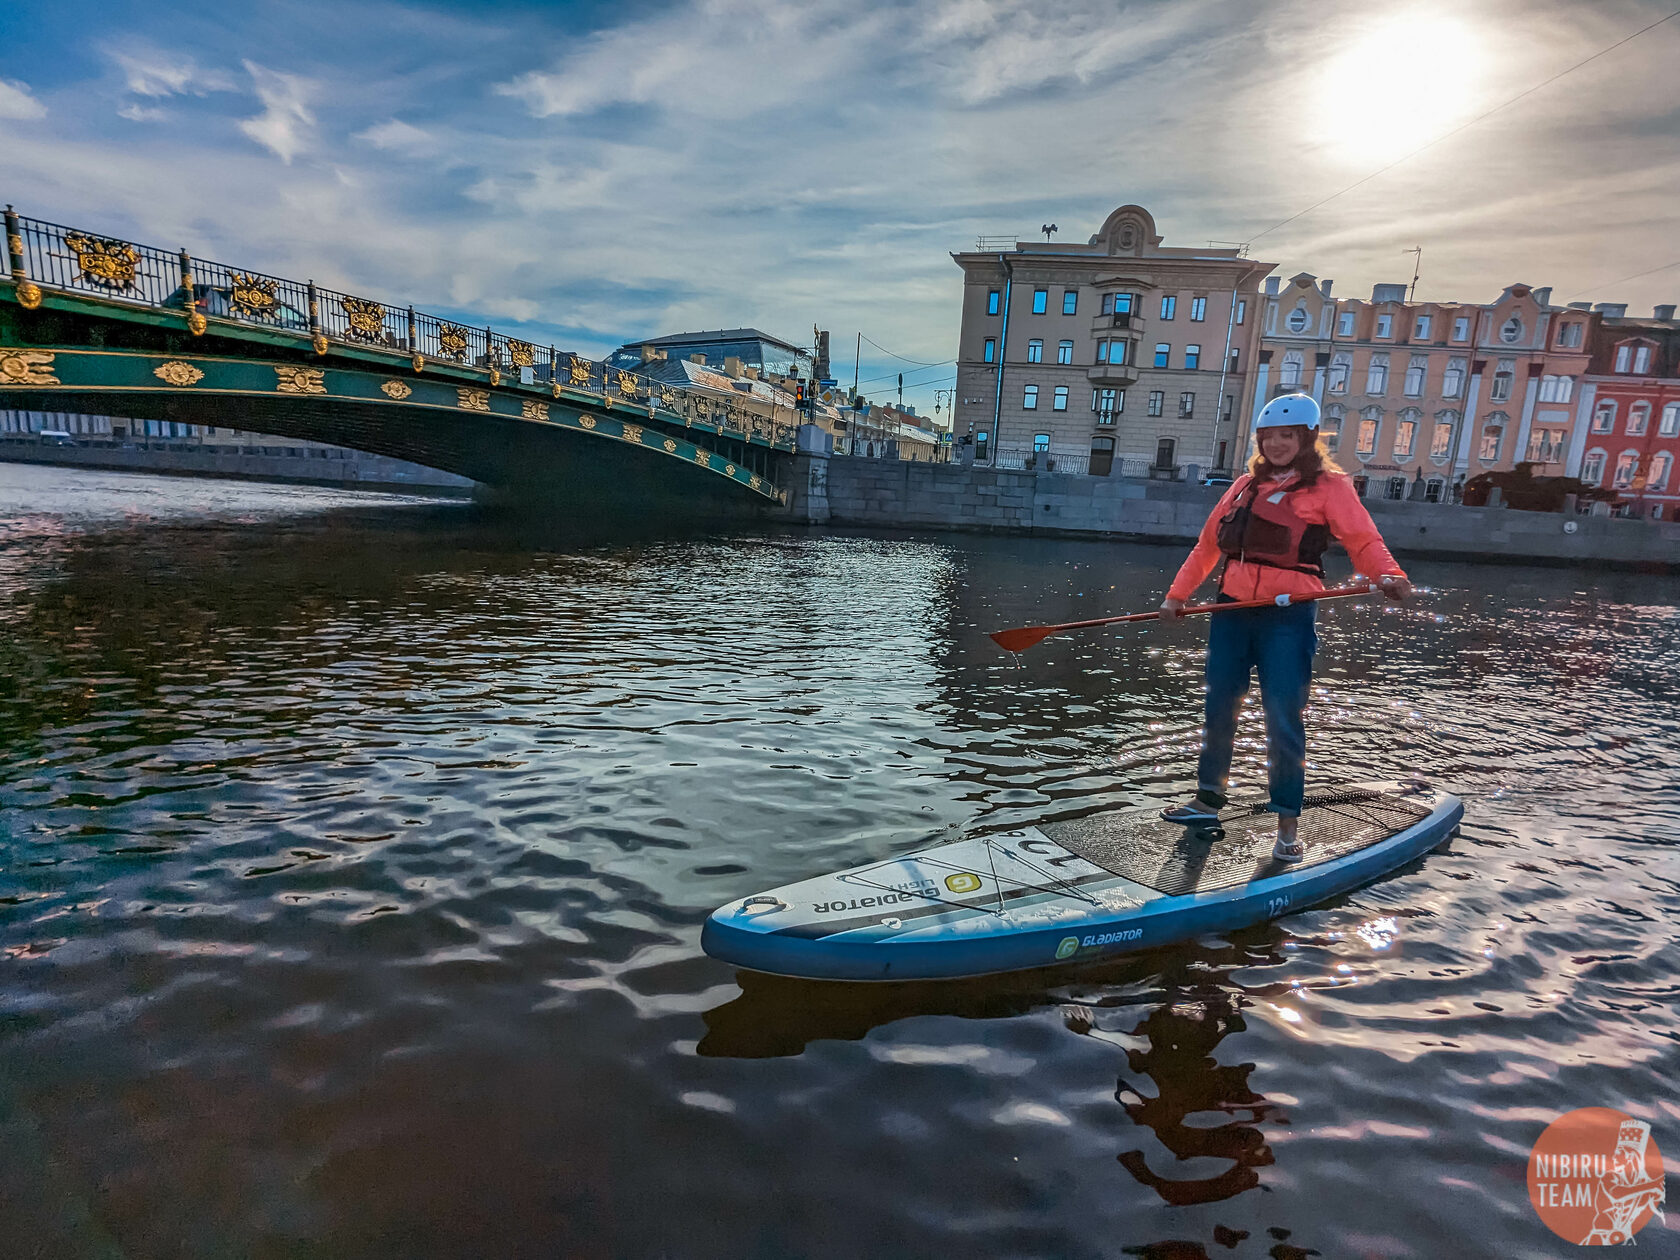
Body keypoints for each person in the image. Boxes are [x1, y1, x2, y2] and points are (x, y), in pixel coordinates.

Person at [1157, 392, 1412, 862]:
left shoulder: (1331, 487)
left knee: (1282, 717)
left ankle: (1288, 827)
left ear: (1307, 439)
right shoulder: (1241, 487)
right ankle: (1207, 800)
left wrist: (1387, 574)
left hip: (1287, 616)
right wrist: (1177, 596)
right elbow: (1207, 548)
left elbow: (1363, 540)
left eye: (1286, 436)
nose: (1275, 444)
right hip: (1231, 611)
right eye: (1268, 436)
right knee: (1220, 709)